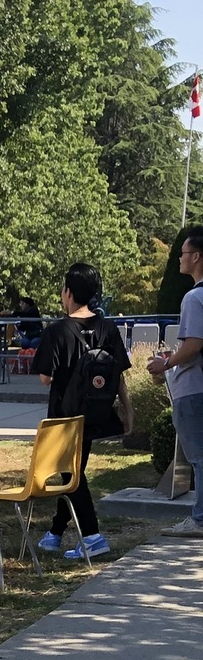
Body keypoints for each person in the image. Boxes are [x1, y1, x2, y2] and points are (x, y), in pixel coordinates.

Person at [32, 262, 131, 559]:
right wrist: (128, 410)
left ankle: (92, 536)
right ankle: (55, 533)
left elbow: (45, 377)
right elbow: (118, 374)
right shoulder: (107, 328)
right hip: (96, 414)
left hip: (64, 416)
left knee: (71, 473)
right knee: (73, 472)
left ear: (68, 292)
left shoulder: (57, 330)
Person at [147, 225, 203, 537]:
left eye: (183, 253)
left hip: (194, 388)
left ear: (197, 257)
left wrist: (166, 362)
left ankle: (200, 519)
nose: (179, 258)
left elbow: (194, 344)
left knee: (199, 457)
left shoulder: (193, 298)